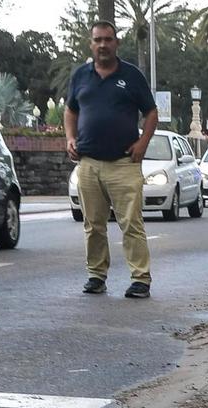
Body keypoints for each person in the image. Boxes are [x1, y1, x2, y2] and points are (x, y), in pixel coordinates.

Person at [64, 19, 158, 298]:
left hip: (124, 163)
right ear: (91, 44)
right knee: (93, 224)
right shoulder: (80, 76)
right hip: (89, 163)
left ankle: (140, 278)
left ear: (116, 43)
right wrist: (69, 138)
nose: (103, 45)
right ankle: (96, 276)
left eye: (108, 39)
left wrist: (143, 143)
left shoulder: (131, 76)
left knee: (131, 223)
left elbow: (151, 113)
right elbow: (71, 110)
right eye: (98, 40)